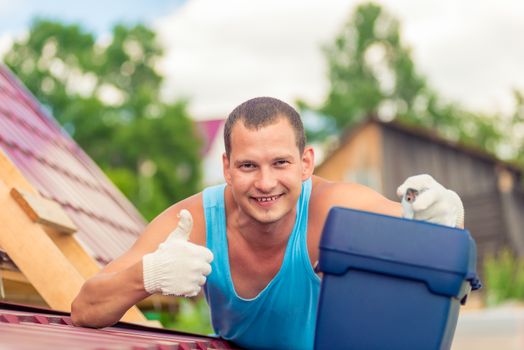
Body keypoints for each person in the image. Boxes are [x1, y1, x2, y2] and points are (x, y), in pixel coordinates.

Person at [71, 97, 464, 350]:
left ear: (306, 163)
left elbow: (430, 233)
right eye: (247, 166)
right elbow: (85, 307)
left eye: (280, 163)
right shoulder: (193, 222)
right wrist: (150, 273)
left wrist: (444, 214)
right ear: (226, 167)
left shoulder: (333, 208)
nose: (265, 183)